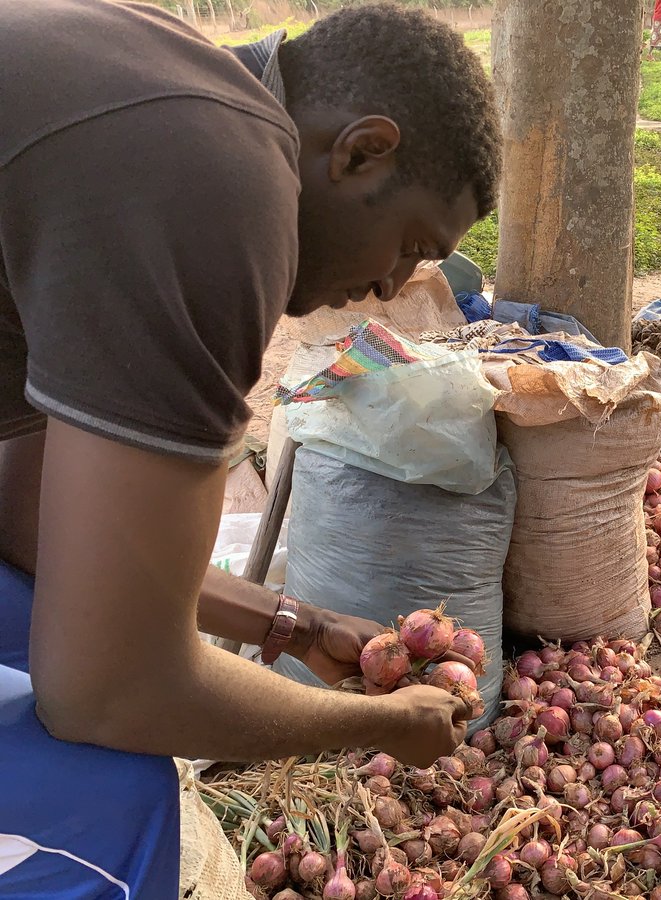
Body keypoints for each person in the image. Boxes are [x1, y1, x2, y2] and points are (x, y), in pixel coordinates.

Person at [0, 2, 501, 894]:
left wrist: (292, 626)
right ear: (360, 152)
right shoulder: (219, 179)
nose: (392, 287)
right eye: (414, 246)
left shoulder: (171, 90)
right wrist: (366, 725)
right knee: (114, 806)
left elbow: (34, 521)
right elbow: (107, 690)